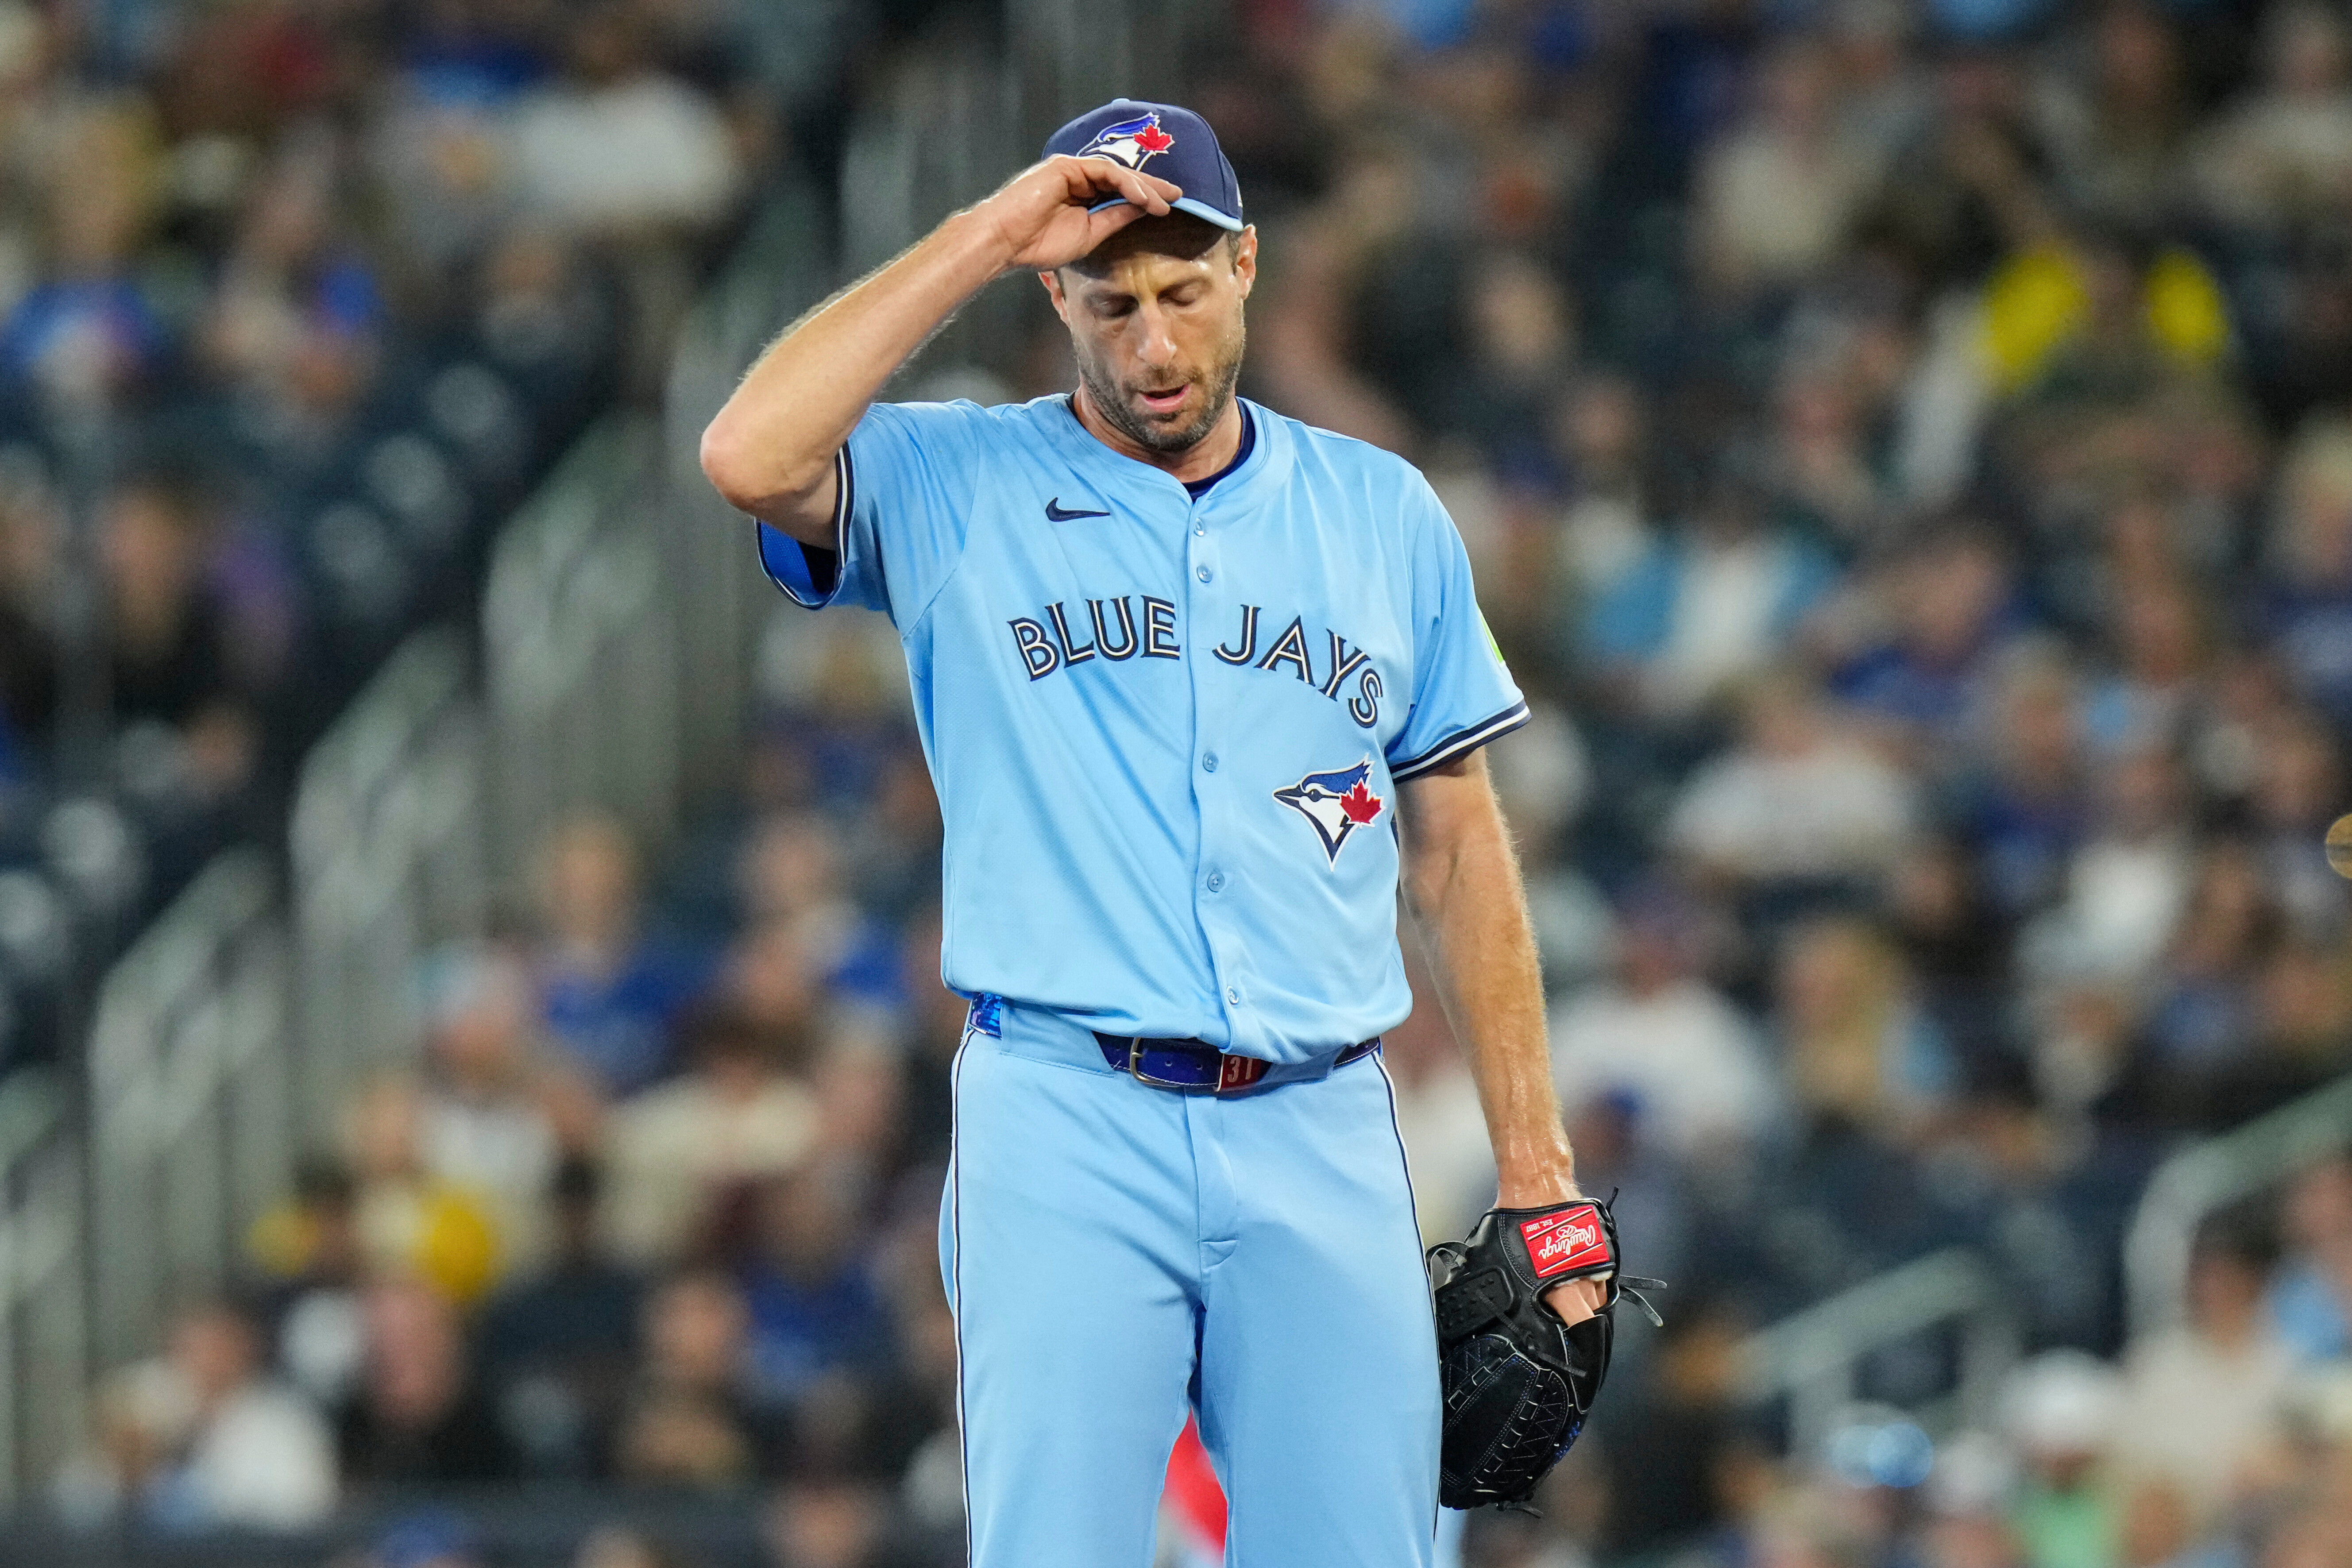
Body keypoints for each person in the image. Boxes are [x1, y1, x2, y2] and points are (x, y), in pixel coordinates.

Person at [699, 98, 1613, 1567]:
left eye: (1183, 290)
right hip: (1066, 1116)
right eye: (1110, 300)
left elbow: (1453, 850)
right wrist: (989, 230)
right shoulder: (952, 480)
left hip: (1319, 1113)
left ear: (1245, 267)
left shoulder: (1378, 512)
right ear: (1054, 294)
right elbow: (750, 454)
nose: (1154, 342)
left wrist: (1536, 1170)